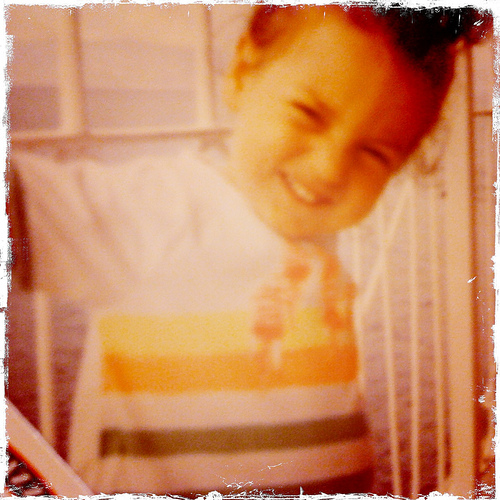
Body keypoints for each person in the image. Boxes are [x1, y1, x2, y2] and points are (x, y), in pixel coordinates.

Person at [9, 4, 491, 496]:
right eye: (308, 114)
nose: (329, 169)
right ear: (242, 72)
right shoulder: (162, 210)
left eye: (375, 153)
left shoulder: (309, 230)